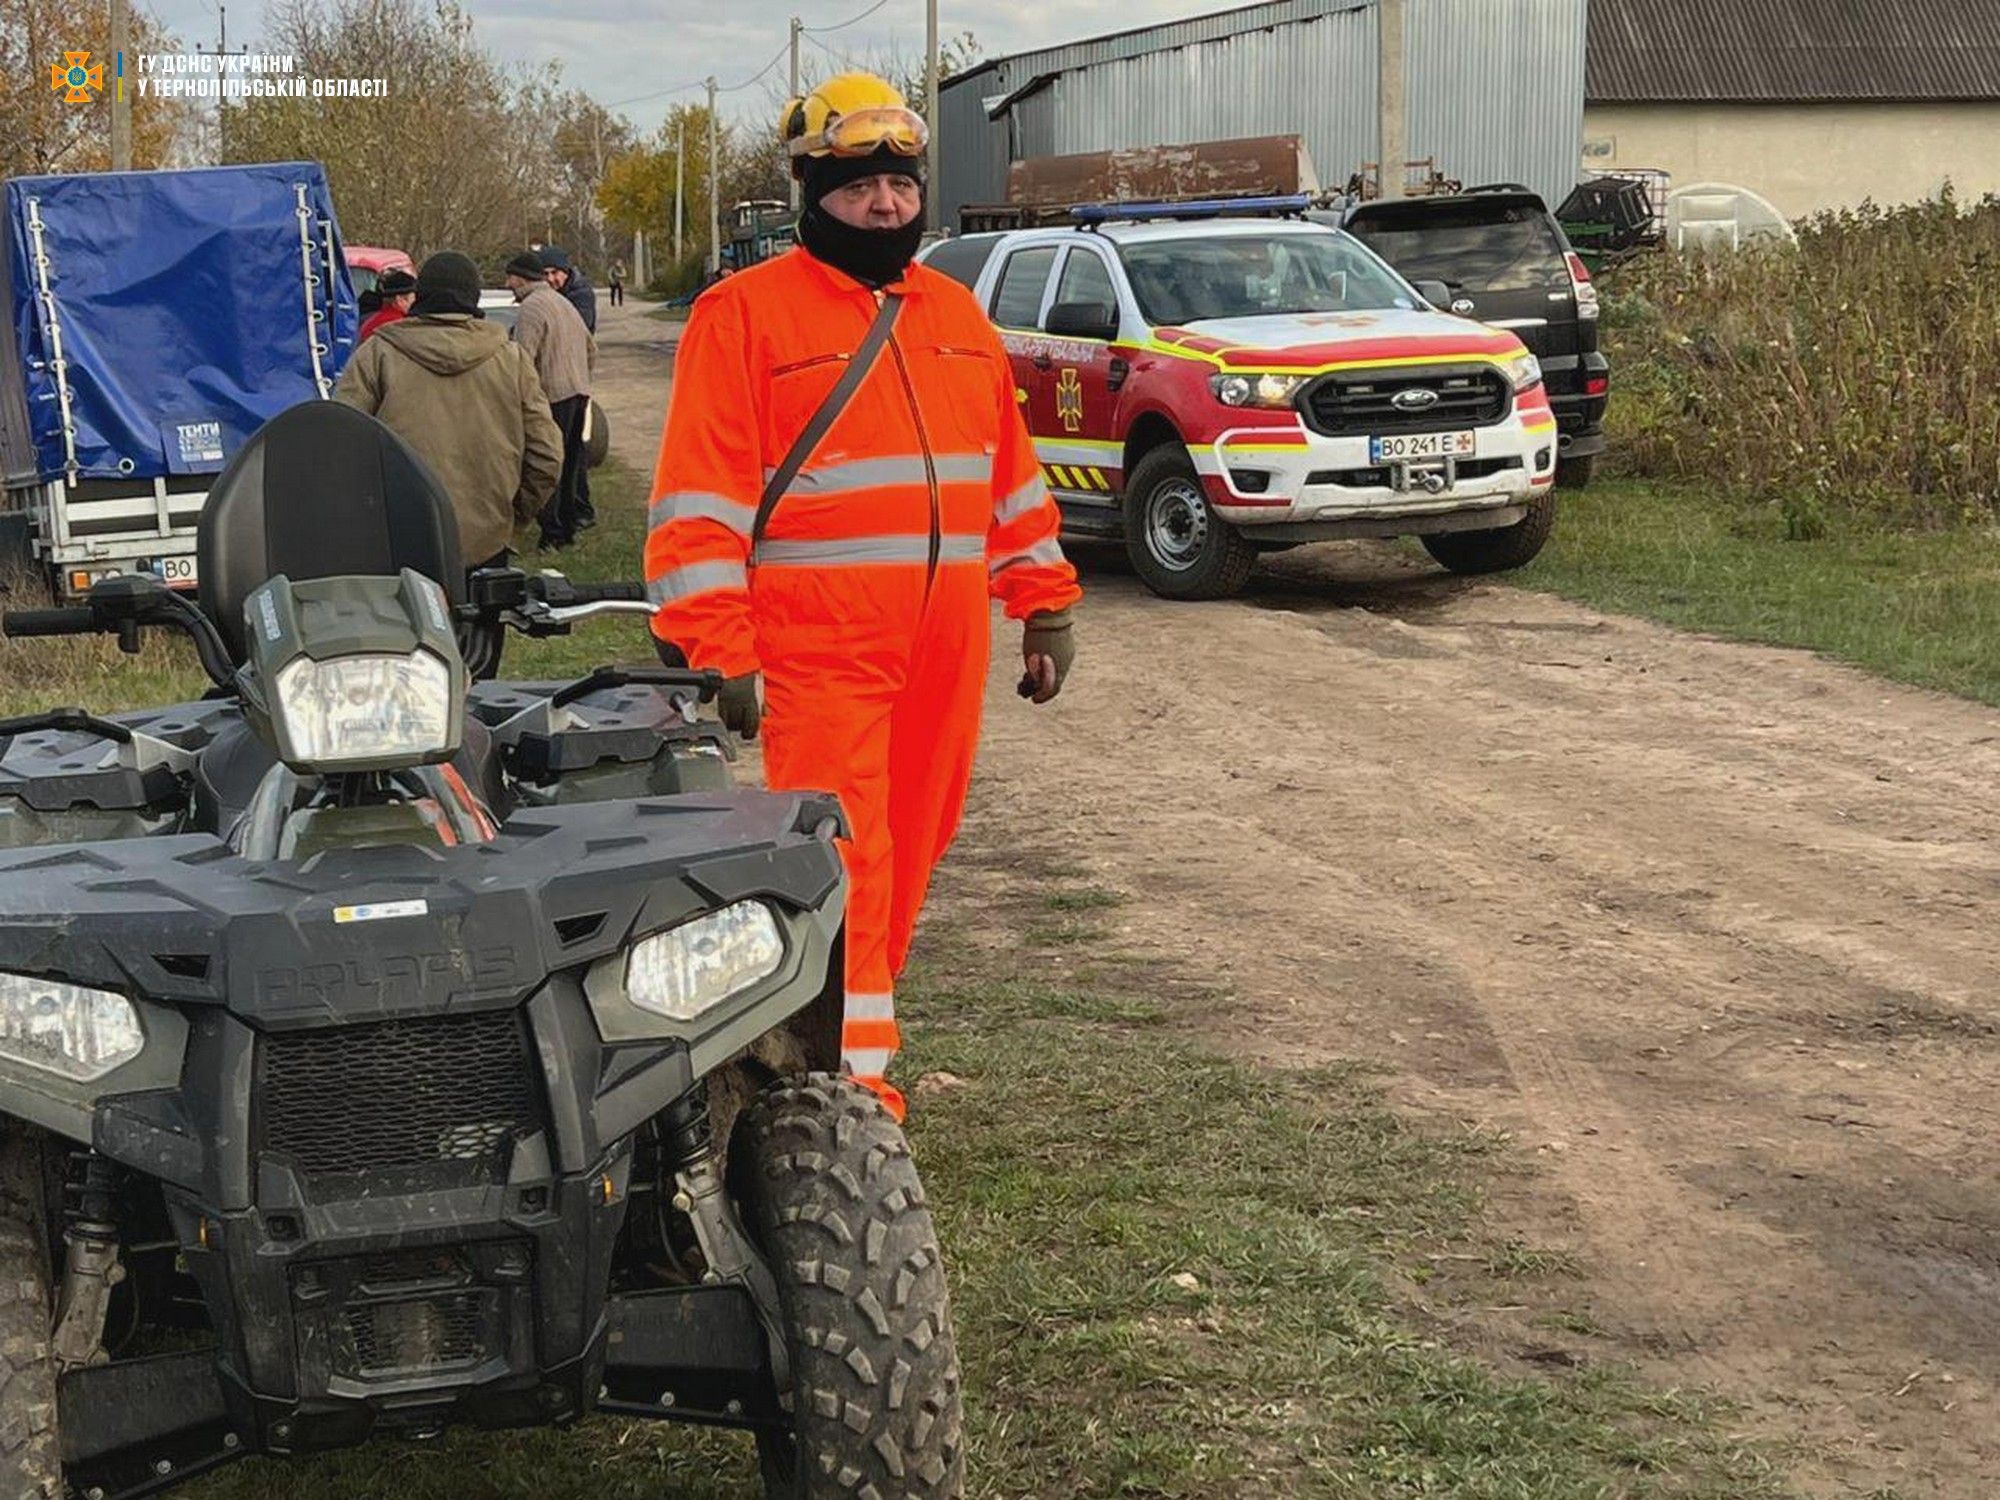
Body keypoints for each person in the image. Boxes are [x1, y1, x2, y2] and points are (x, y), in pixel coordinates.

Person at [643, 72, 1081, 1120]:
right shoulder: (742, 316)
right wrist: (716, 640)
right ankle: (848, 1091)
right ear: (809, 189)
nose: (886, 203)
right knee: (846, 865)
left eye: (899, 181)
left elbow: (1006, 479)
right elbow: (696, 500)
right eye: (858, 184)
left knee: (914, 851)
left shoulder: (957, 316)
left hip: (943, 649)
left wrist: (1043, 600)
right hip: (817, 651)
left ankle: (845, 1051)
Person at [332, 251, 563, 673]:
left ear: (421, 296)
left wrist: (366, 519)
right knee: (481, 673)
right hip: (486, 539)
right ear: (473, 297)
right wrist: (513, 517)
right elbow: (547, 452)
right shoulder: (509, 358)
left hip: (399, 540)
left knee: (407, 671)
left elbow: (340, 443)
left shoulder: (378, 353)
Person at [504, 249, 596, 551]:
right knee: (570, 465)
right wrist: (581, 377)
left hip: (551, 397)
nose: (507, 284)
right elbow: (590, 347)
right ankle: (568, 528)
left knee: (546, 465)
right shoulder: (562, 303)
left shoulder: (532, 308)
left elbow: (522, 358)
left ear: (522, 279)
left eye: (511, 277)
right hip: (577, 392)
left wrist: (519, 398)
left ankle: (552, 533)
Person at [539, 247, 599, 530]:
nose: (551, 279)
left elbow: (581, 330)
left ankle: (579, 507)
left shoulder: (580, 295)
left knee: (573, 450)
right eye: (546, 274)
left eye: (555, 273)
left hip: (572, 380)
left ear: (566, 272)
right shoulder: (556, 297)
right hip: (569, 377)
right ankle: (573, 509)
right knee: (570, 449)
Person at [358, 267, 416, 340]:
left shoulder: (372, 319)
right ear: (400, 300)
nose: (415, 302)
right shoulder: (399, 324)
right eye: (413, 298)